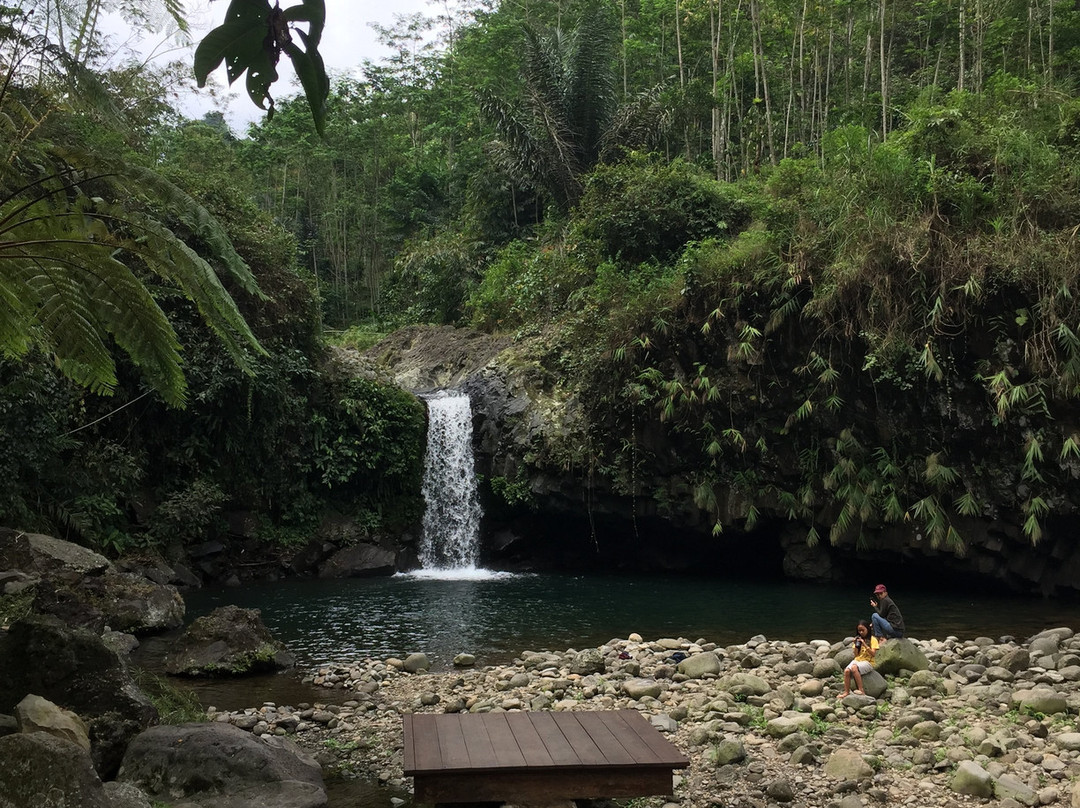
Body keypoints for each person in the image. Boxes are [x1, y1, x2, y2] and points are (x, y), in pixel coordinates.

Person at [840, 619, 878, 697]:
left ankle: (861, 690)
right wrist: (856, 645)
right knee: (847, 671)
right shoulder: (858, 639)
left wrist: (865, 644)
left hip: (868, 662)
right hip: (858, 660)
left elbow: (873, 654)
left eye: (863, 630)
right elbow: (856, 655)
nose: (861, 632)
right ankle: (846, 692)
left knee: (854, 668)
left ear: (867, 629)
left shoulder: (873, 639)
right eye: (859, 631)